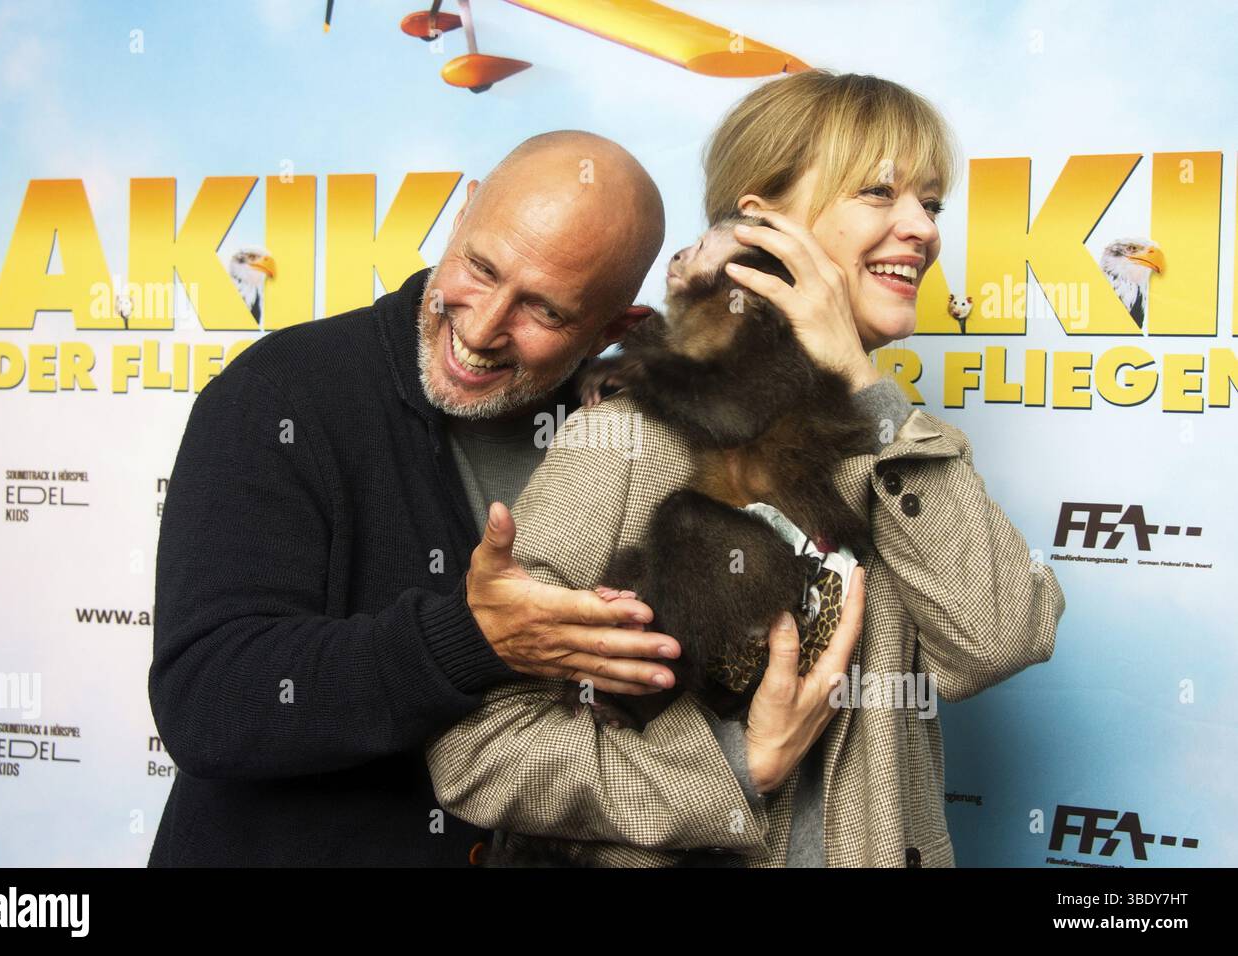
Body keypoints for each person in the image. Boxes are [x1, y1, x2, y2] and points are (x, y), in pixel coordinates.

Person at [426, 71, 1067, 867]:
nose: (922, 229)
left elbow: (998, 640)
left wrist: (869, 396)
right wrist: (730, 766)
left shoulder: (901, 448)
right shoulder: (625, 438)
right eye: (879, 192)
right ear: (764, 224)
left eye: (930, 205)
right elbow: (479, 752)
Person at [147, 130, 831, 866]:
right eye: (479, 267)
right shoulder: (282, 396)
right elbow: (209, 698)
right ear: (463, 214)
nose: (479, 327)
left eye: (544, 312)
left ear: (614, 328)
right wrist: (468, 639)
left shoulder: (627, 433)